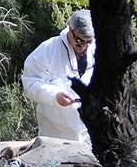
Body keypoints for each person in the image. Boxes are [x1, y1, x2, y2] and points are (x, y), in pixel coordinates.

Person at [21, 9, 96, 144]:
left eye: (88, 42)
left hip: (88, 133)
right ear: (70, 29)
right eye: (79, 40)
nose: (83, 46)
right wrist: (55, 96)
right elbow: (30, 83)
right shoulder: (49, 49)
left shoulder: (96, 50)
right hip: (55, 134)